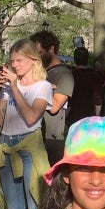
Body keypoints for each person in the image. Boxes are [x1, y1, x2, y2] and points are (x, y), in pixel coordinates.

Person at [0, 39, 53, 209]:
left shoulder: (43, 86)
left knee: (35, 205)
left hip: (29, 148)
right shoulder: (8, 86)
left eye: (19, 61)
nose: (15, 65)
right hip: (6, 147)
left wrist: (15, 88)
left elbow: (32, 117)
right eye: (12, 61)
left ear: (33, 60)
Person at [34, 29, 71, 165]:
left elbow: (55, 107)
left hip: (52, 138)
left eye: (39, 53)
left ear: (51, 49)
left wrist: (43, 87)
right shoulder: (41, 73)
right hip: (34, 135)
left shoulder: (64, 74)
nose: (36, 57)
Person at [66, 46, 105, 126]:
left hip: (74, 115)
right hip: (90, 114)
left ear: (75, 59)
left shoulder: (71, 75)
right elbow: (98, 97)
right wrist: (97, 116)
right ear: (87, 58)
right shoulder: (94, 75)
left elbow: (68, 100)